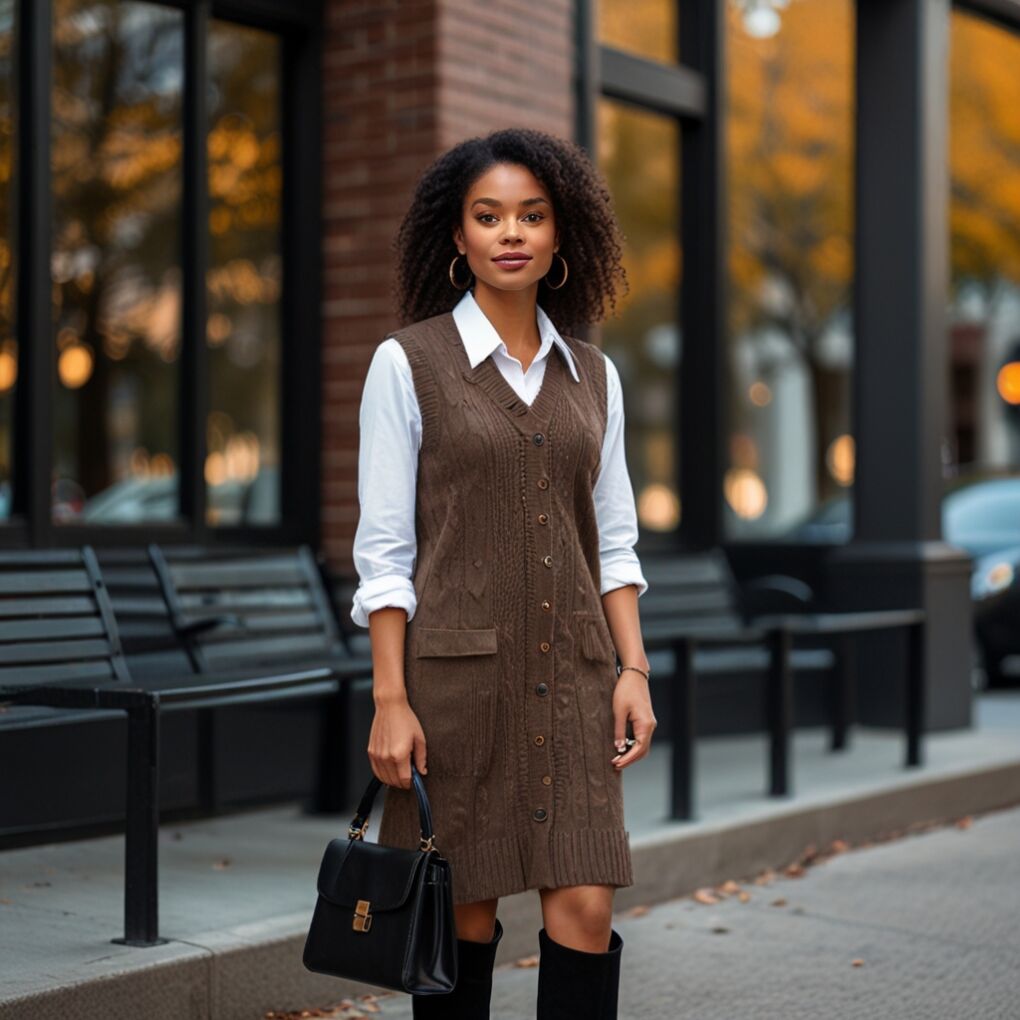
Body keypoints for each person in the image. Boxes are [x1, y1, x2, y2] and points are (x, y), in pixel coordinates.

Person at [351, 127, 656, 1020]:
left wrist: (633, 669)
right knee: (464, 922)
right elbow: (384, 552)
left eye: (532, 215)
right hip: (455, 693)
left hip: (577, 684)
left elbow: (616, 539)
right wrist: (390, 697)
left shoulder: (596, 377)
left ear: (562, 237)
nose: (510, 233)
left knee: (587, 907)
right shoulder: (405, 365)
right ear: (457, 237)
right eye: (488, 217)